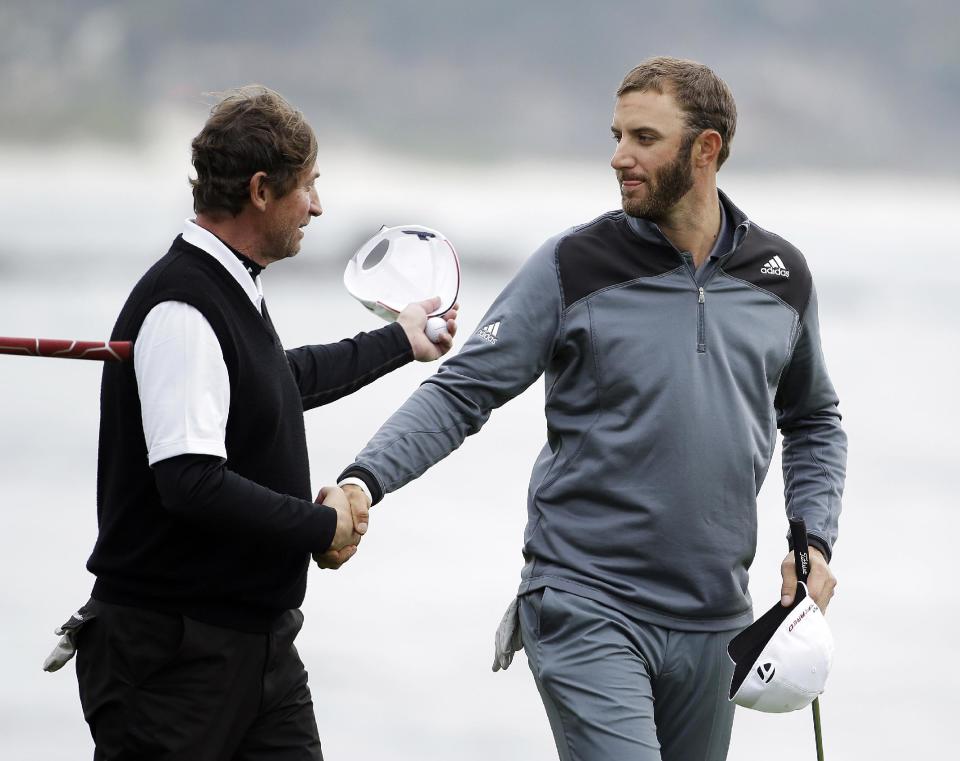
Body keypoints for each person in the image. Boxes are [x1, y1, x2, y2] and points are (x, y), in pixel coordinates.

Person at [337, 57, 847, 761]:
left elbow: (815, 419)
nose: (619, 157)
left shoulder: (781, 277)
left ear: (706, 149)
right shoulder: (573, 265)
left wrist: (812, 537)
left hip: (714, 620)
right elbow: (463, 391)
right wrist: (365, 479)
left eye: (643, 137)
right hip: (586, 603)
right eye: (616, 135)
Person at [61, 85, 457, 760]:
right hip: (172, 658)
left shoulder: (229, 283)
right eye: (309, 186)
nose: (319, 205)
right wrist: (319, 524)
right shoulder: (184, 305)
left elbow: (278, 381)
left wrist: (401, 342)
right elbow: (189, 481)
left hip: (259, 647)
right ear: (261, 190)